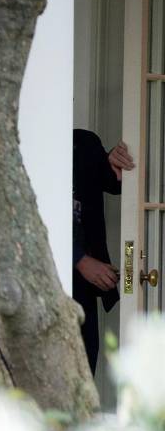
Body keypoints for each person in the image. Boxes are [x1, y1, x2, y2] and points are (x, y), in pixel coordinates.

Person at [73, 128, 135, 374]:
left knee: (83, 372)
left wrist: (117, 159)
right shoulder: (27, 149)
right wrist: (79, 260)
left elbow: (114, 180)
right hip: (39, 282)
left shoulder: (84, 143)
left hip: (83, 292)